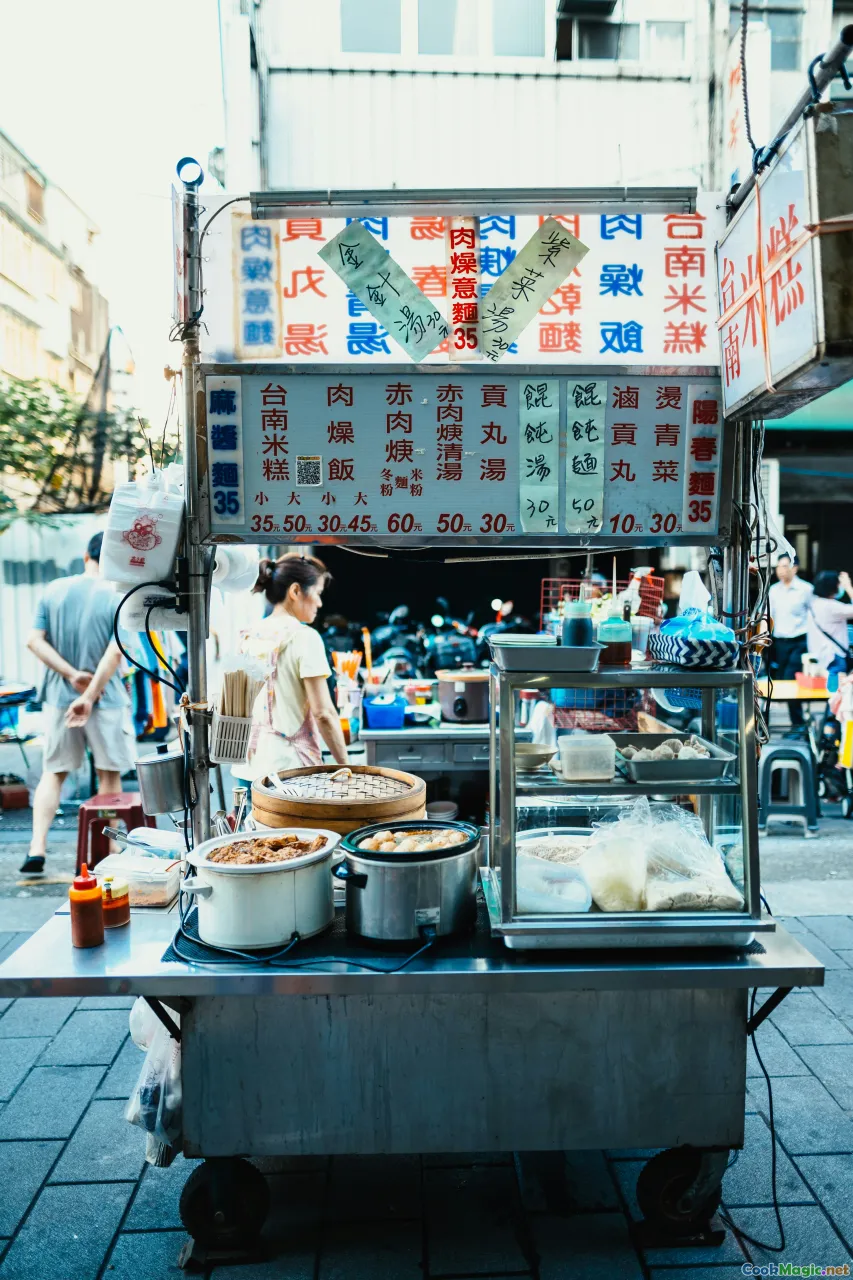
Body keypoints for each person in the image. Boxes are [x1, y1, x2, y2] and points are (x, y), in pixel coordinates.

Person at [23, 532, 134, 875]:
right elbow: (115, 653)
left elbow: (34, 641)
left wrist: (71, 675)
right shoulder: (119, 597)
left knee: (54, 772)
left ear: (87, 556)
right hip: (106, 699)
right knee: (109, 773)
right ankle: (110, 846)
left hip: (59, 698)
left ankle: (37, 847)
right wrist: (88, 694)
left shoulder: (53, 590)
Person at [237, 553, 348, 781]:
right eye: (317, 593)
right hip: (290, 774)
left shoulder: (249, 635)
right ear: (296, 591)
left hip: (248, 768)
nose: (320, 603)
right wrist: (348, 767)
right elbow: (323, 713)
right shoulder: (304, 637)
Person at [768, 553, 813, 731]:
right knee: (782, 681)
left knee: (790, 678)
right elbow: (769, 617)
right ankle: (794, 722)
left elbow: (815, 615)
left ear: (795, 568)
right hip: (780, 642)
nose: (780, 570)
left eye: (785, 566)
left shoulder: (806, 589)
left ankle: (798, 724)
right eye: (778, 567)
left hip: (800, 641)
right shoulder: (773, 590)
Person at [806, 570, 853, 682]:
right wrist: (848, 587)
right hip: (834, 658)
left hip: (821, 657)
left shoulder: (815, 604)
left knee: (827, 690)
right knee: (836, 690)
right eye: (839, 584)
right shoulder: (831, 607)